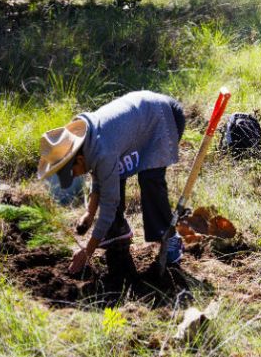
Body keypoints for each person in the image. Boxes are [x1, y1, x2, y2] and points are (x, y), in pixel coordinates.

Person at [36, 90, 186, 274]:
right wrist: (90, 213)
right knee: (116, 173)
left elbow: (109, 203)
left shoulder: (102, 150)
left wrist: (87, 252)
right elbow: (101, 174)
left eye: (72, 172)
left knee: (150, 178)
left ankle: (169, 238)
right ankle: (117, 231)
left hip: (162, 117)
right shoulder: (88, 142)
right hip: (141, 119)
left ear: (80, 160)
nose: (74, 176)